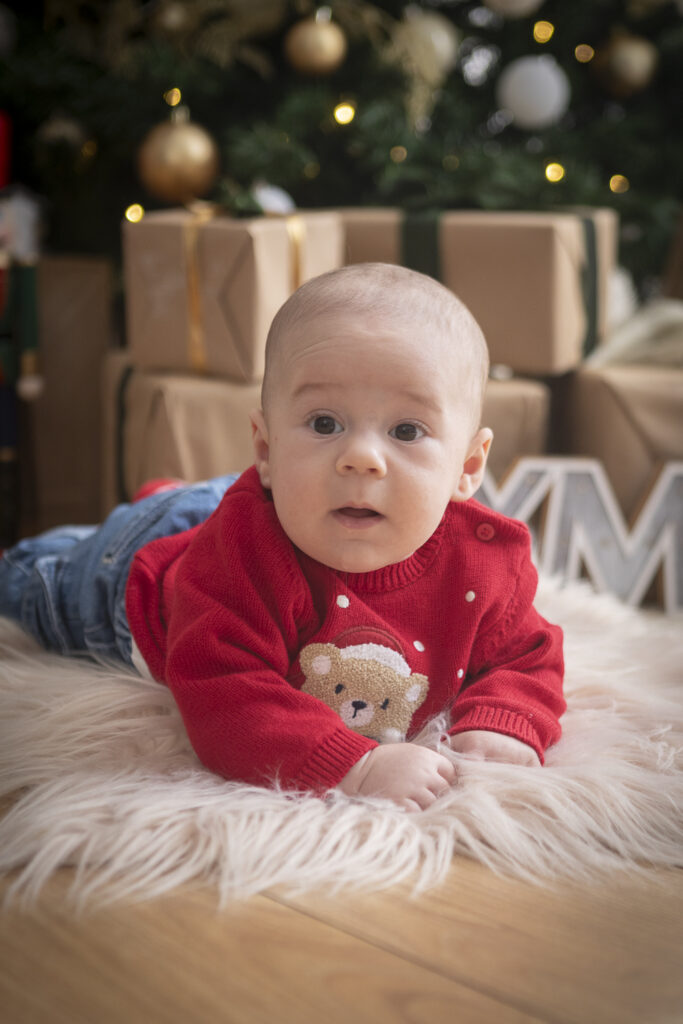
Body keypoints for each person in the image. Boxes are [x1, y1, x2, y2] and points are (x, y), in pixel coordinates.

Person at [0, 263, 565, 812]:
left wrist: (506, 719)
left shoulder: (482, 564)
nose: (362, 457)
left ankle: (177, 498)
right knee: (32, 580)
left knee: (197, 510)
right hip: (127, 578)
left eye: (406, 430)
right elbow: (226, 694)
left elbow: (529, 653)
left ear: (468, 466)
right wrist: (355, 766)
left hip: (268, 501)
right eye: (325, 423)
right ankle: (153, 515)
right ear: (266, 450)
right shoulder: (247, 558)